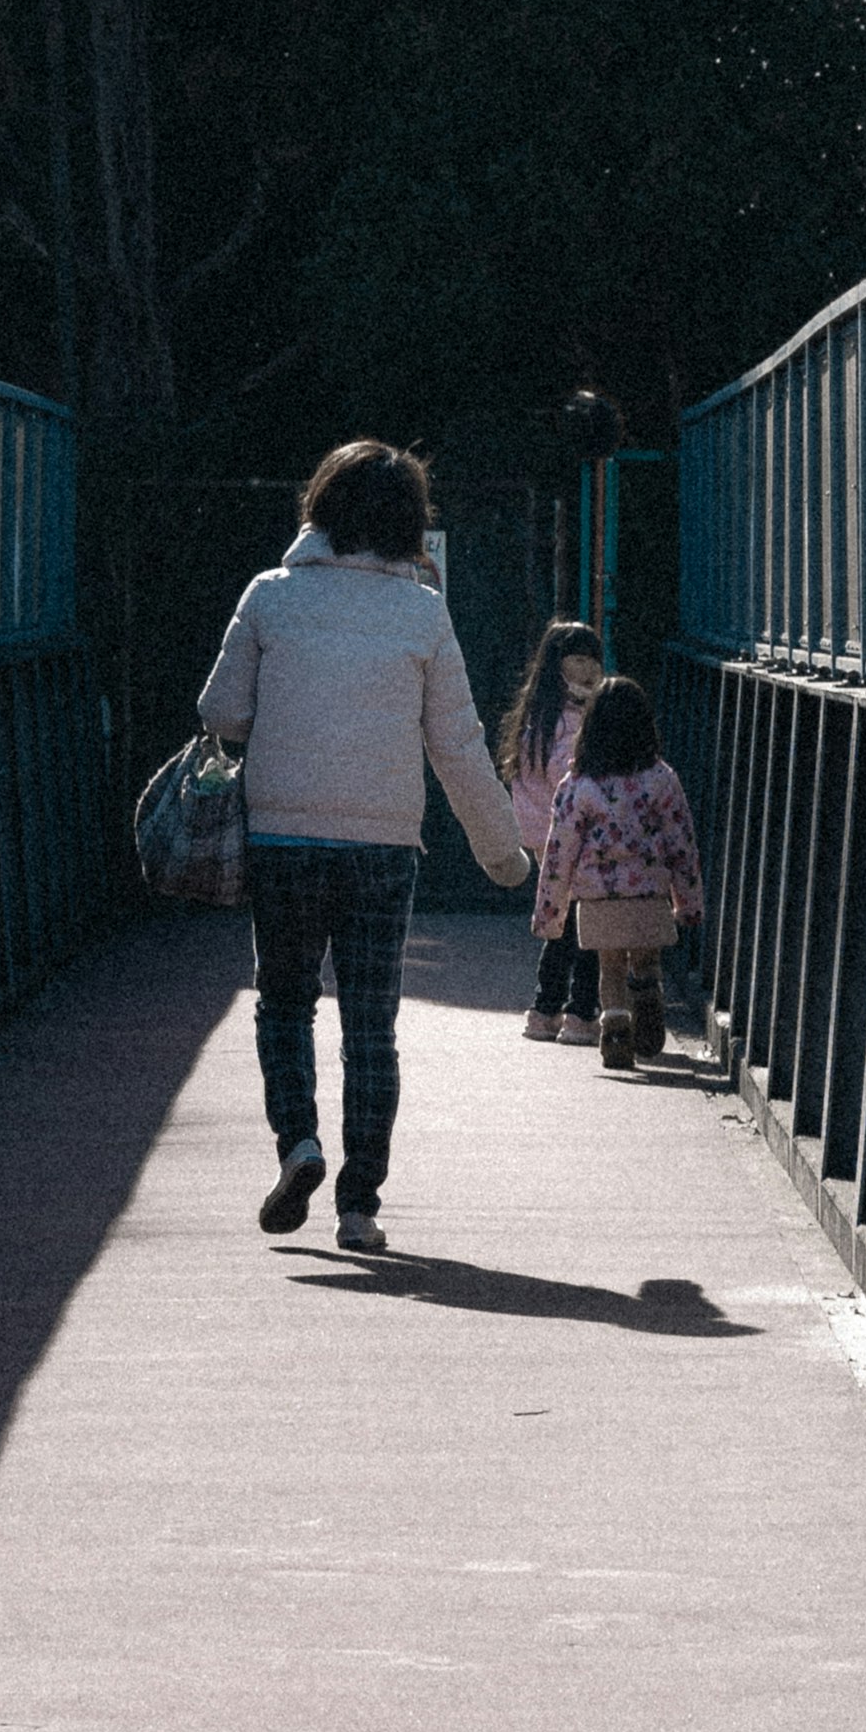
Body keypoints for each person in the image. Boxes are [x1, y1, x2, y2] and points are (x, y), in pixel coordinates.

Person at [196, 438, 528, 1256]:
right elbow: (457, 742)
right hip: (384, 846)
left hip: (283, 836)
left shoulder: (270, 596)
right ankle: (360, 1205)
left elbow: (221, 712)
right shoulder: (422, 611)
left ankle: (298, 1145)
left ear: (320, 507)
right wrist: (501, 852)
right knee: (371, 1025)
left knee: (285, 1002)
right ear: (411, 523)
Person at [536, 674, 703, 1072]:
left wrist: (550, 911)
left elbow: (559, 852)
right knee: (645, 963)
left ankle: (615, 1027)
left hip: (596, 899)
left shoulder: (578, 784)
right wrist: (689, 902)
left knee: (609, 968)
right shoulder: (661, 779)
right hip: (648, 895)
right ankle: (647, 1001)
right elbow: (682, 844)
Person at [500, 620, 605, 1044]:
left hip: (544, 834)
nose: (587, 668)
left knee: (560, 923)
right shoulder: (569, 719)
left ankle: (545, 1011)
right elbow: (568, 775)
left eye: (593, 659)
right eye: (577, 658)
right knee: (586, 926)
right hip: (568, 835)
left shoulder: (539, 716)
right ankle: (579, 1012)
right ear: (557, 664)